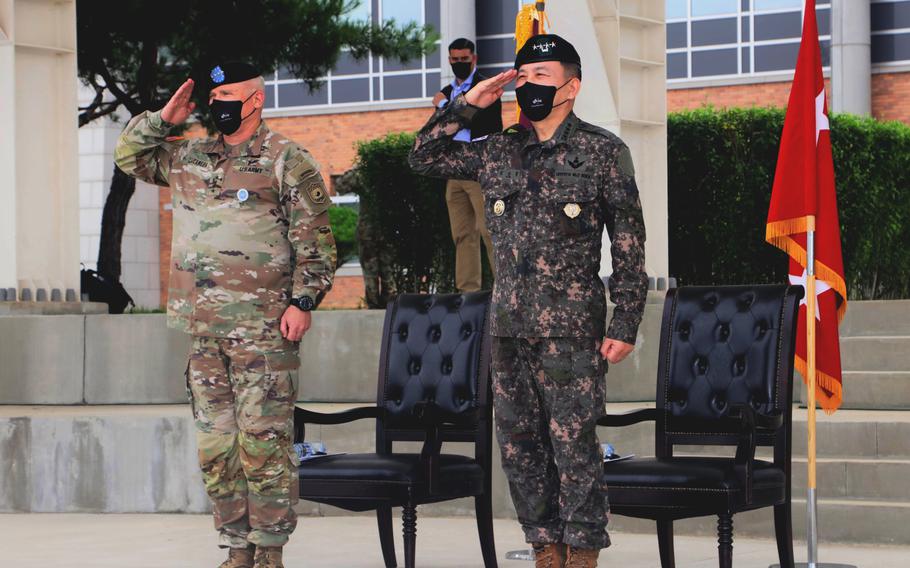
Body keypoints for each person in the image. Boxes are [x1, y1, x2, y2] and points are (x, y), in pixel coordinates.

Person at [409, 35, 648, 568]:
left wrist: (625, 320)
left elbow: (630, 244)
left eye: (543, 76)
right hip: (508, 328)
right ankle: (545, 548)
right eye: (524, 77)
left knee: (573, 447)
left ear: (571, 87)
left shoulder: (603, 152)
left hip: (571, 330)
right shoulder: (498, 150)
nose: (530, 87)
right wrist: (469, 104)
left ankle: (583, 553)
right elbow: (423, 156)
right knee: (519, 447)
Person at [114, 62, 336, 568]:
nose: (218, 104)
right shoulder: (190, 155)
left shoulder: (286, 159)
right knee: (216, 449)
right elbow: (128, 156)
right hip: (204, 332)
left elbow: (317, 241)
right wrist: (163, 117)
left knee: (264, 445)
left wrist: (303, 302)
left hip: (264, 330)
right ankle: (236, 548)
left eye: (228, 94)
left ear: (254, 100)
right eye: (213, 95)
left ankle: (269, 551)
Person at [432, 38, 502, 292]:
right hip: (454, 169)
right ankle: (467, 292)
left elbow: (479, 119)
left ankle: (505, 288)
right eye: (454, 60)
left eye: (463, 59)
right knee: (462, 234)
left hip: (478, 166)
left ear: (473, 58)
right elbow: (438, 125)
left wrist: (444, 104)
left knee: (489, 230)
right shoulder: (449, 90)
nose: (458, 63)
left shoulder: (485, 87)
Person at [333, 167, 398, 308]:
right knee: (381, 273)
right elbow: (339, 186)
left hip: (375, 232)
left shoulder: (368, 173)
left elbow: (340, 184)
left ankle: (382, 307)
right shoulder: (384, 172)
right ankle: (385, 307)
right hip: (376, 232)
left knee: (382, 273)